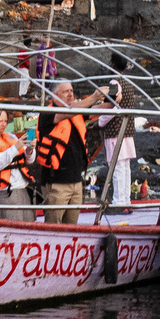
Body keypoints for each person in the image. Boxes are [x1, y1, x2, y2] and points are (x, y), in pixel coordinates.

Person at [34, 81, 105, 225]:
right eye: (65, 91)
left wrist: (113, 99)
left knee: (72, 226)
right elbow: (67, 112)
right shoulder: (47, 113)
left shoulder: (78, 112)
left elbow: (99, 109)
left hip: (76, 182)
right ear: (54, 96)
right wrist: (93, 97)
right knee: (54, 226)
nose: (70, 94)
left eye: (71, 90)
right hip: (57, 183)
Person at [99, 61, 138, 211]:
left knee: (117, 168)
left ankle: (119, 203)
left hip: (116, 131)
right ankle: (125, 201)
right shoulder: (128, 82)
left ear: (114, 66)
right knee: (125, 168)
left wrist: (100, 121)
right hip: (128, 131)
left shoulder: (114, 82)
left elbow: (112, 106)